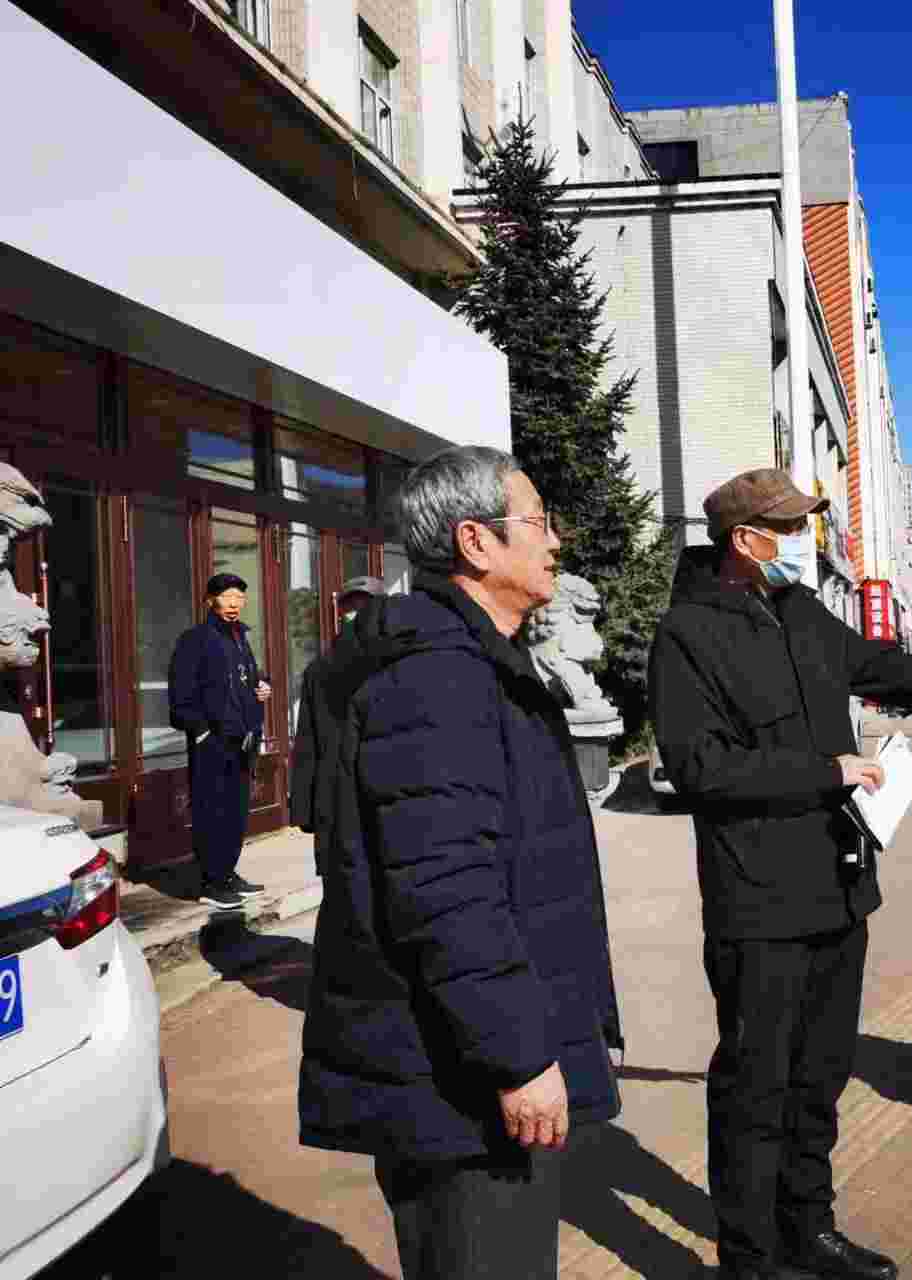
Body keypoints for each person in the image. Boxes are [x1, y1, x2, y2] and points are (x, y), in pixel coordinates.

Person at [649, 467, 912, 1280]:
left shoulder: (800, 613)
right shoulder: (687, 635)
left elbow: (895, 673)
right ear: (745, 540)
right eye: (790, 528)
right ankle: (749, 1259)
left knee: (819, 1079)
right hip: (758, 904)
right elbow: (700, 768)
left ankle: (808, 1228)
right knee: (756, 1089)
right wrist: (828, 772)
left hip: (838, 889)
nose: (805, 541)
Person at [298, 447, 622, 1280]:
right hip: (459, 1089)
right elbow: (446, 892)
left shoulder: (475, 660)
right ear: (476, 542)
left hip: (470, 1065)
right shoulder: (438, 677)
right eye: (539, 521)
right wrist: (519, 1057)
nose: (555, 540)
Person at [167, 572, 271, 910]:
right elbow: (181, 695)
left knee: (235, 812)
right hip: (212, 741)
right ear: (210, 600)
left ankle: (227, 873)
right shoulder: (195, 640)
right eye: (227, 597)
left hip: (241, 740)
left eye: (239, 597)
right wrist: (201, 732)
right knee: (211, 810)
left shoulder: (240, 637)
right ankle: (211, 882)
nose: (234, 604)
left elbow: (246, 679)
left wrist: (262, 687)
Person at [287, 574, 385, 873]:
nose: (355, 614)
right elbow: (308, 740)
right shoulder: (320, 669)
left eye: (363, 606)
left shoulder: (396, 662)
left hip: (379, 797)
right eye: (350, 607)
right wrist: (304, 807)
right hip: (337, 800)